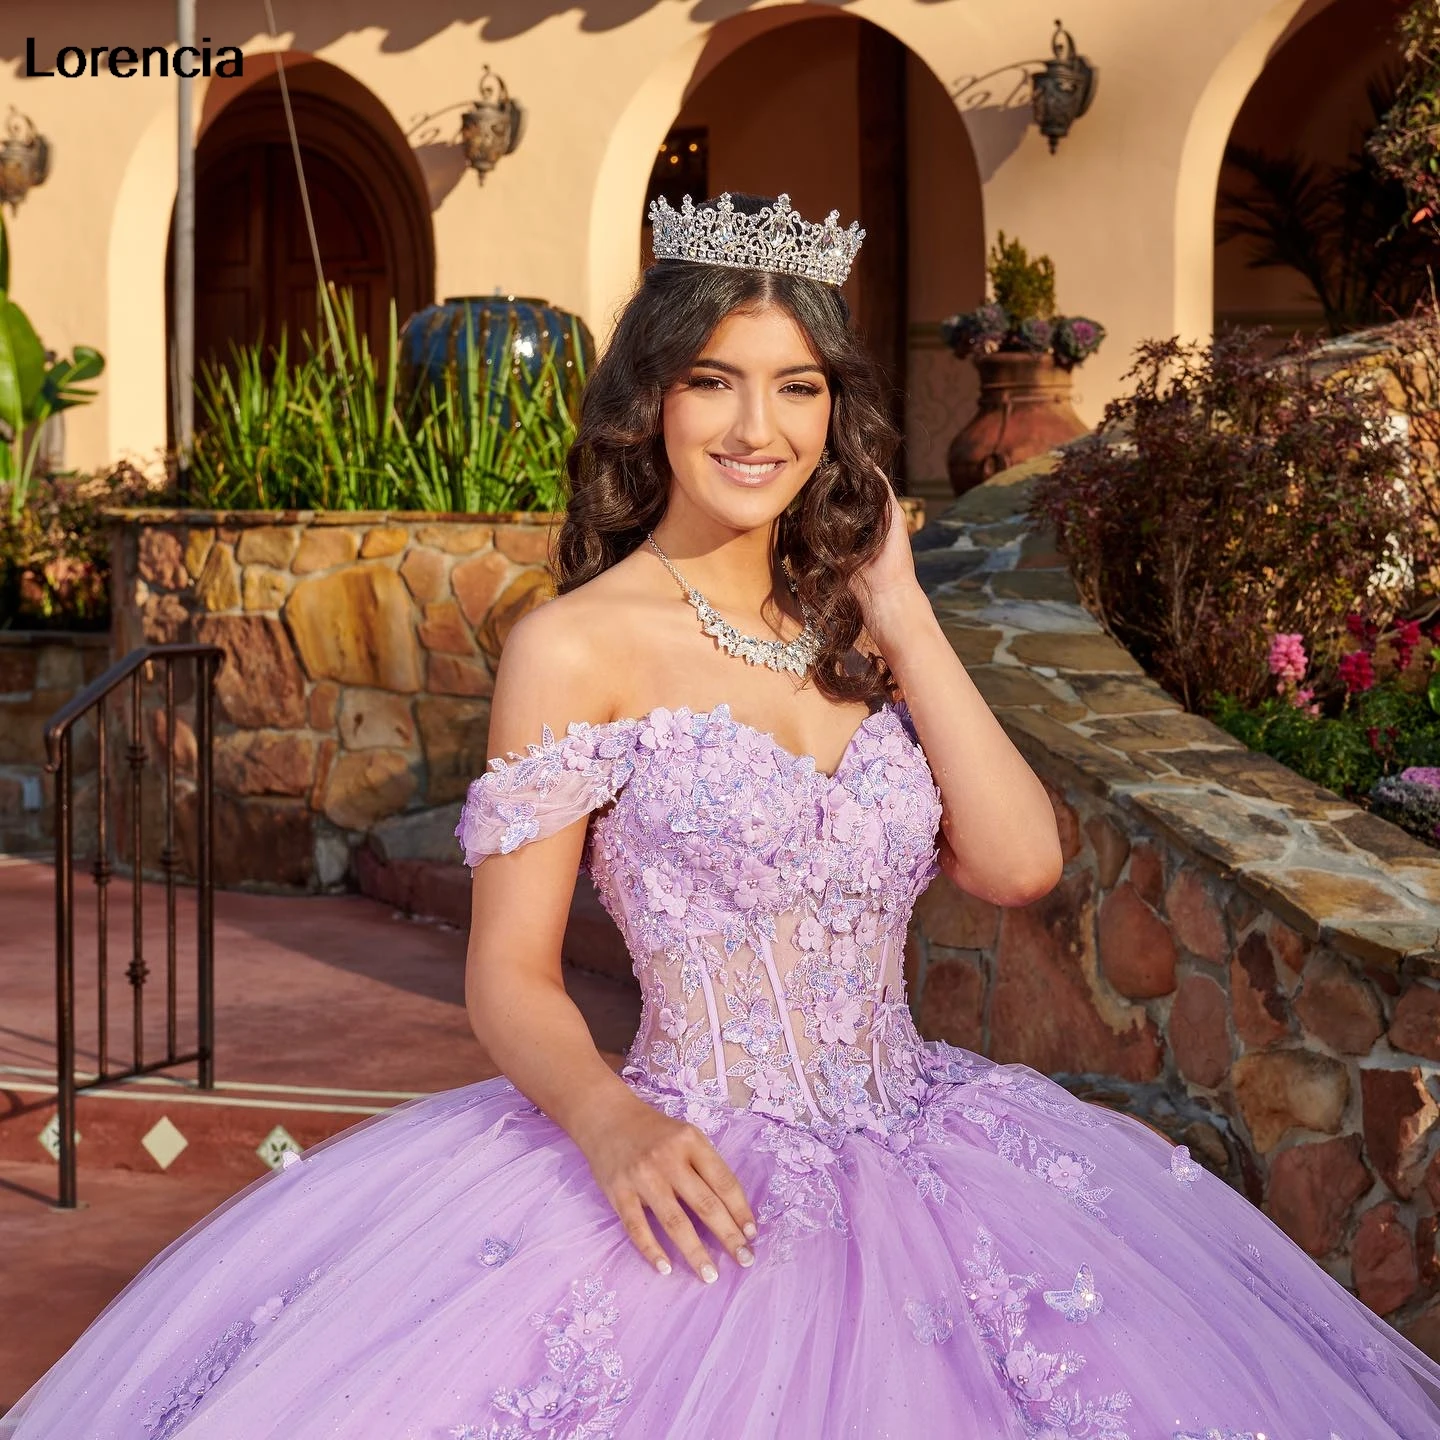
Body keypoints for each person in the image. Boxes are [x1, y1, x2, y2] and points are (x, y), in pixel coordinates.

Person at [5, 192, 1439, 1440]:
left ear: (839, 410)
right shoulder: (576, 645)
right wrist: (612, 1124)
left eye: (800, 387)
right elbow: (505, 974)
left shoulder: (857, 629)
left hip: (932, 1137)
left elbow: (1018, 864)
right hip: (683, 1144)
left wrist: (903, 613)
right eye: (717, 383)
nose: (761, 428)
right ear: (652, 402)